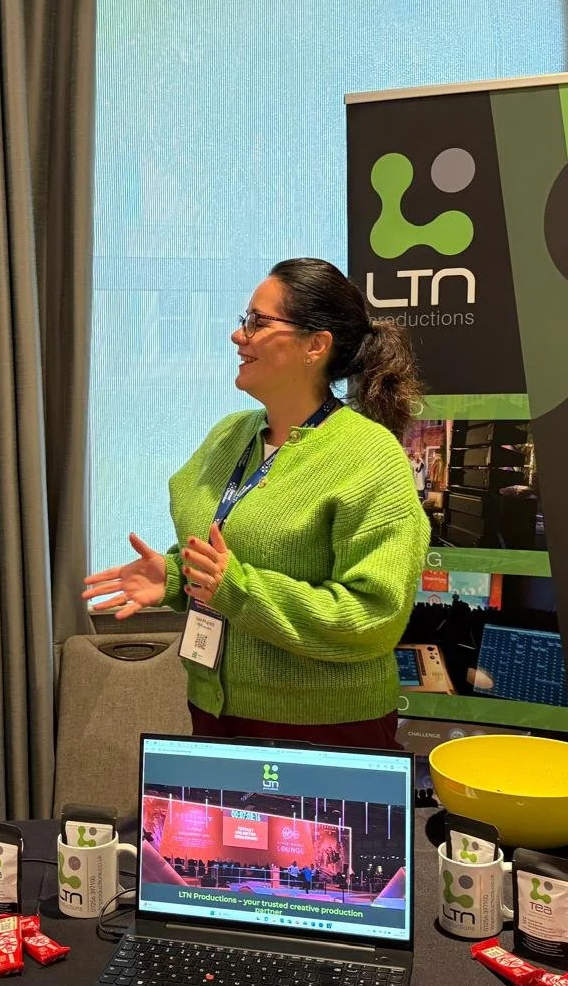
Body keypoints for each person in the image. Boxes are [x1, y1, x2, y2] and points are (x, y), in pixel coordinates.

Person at [83, 257, 428, 749]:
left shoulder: (370, 457)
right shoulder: (230, 436)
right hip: (212, 706)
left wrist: (236, 590)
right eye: (244, 320)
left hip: (323, 726)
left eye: (257, 322)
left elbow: (374, 617)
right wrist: (178, 577)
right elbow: (220, 554)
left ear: (316, 345)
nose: (237, 336)